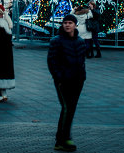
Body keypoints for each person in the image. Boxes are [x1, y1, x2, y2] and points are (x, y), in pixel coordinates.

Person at [48, 13, 87, 152]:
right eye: (65, 23)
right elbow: (52, 62)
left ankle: (65, 137)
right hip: (63, 81)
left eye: (70, 23)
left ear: (75, 25)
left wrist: (82, 77)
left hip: (77, 81)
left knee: (70, 110)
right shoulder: (56, 41)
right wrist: (58, 78)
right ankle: (61, 139)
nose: (67, 25)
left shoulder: (80, 41)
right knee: (66, 108)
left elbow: (82, 61)